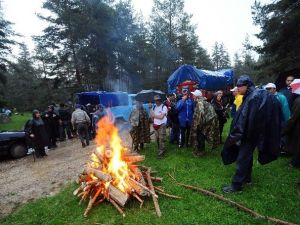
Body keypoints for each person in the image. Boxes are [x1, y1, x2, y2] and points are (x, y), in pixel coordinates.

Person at [222, 76, 281, 193]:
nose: (237, 88)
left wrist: (239, 133)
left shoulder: (254, 96)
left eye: (240, 86)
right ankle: (247, 178)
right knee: (247, 157)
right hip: (251, 133)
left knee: (242, 158)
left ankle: (236, 185)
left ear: (247, 85)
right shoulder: (252, 95)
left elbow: (247, 119)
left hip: (248, 134)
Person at [190, 90, 219, 157]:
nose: (193, 96)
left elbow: (201, 114)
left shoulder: (199, 102)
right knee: (201, 137)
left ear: (197, 96)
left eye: (194, 95)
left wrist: (198, 124)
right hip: (207, 121)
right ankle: (200, 150)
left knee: (200, 137)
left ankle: (200, 152)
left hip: (202, 123)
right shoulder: (202, 101)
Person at [282, 84, 300, 168]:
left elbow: (294, 117)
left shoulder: (298, 101)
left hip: (298, 127)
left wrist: (286, 129)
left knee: (297, 145)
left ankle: (295, 163)